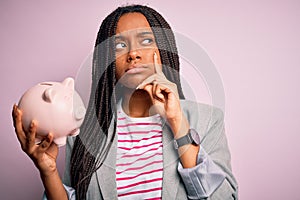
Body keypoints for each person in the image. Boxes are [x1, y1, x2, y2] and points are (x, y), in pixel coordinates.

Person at [12, 4, 238, 200]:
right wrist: (48, 172)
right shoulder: (84, 132)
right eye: (120, 45)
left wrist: (177, 122)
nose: (133, 54)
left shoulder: (209, 120)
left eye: (146, 40)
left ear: (163, 49)